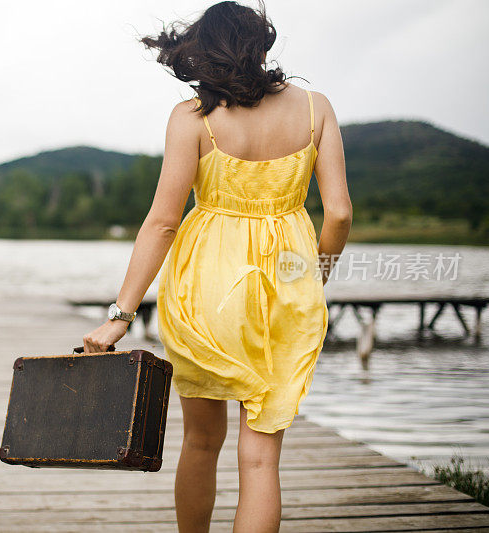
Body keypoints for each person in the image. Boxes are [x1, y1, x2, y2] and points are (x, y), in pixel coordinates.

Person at [83, 1, 352, 531]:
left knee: (202, 443)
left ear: (206, 52)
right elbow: (339, 212)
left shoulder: (194, 117)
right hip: (286, 287)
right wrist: (311, 278)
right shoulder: (315, 107)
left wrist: (120, 314)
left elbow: (162, 223)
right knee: (260, 460)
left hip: (205, 291)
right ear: (263, 45)